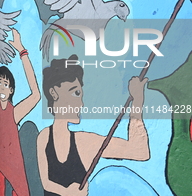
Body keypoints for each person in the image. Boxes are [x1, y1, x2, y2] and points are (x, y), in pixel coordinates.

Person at [37, 54, 150, 196]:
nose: (81, 104)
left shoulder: (84, 142)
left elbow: (139, 151)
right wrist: (66, 192)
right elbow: (46, 183)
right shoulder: (44, 137)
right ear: (54, 92)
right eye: (75, 93)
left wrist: (137, 101)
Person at [0, 28, 41, 196]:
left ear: (11, 89)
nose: (1, 87)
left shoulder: (15, 112)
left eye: (5, 84)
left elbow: (36, 94)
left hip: (14, 164)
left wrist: (22, 51)